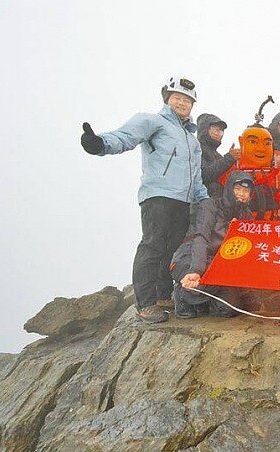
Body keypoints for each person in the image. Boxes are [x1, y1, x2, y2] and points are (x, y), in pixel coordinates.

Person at [80, 76, 209, 324]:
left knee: (171, 250)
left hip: (183, 202)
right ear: (167, 99)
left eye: (187, 100)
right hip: (158, 196)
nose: (182, 103)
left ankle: (163, 296)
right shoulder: (153, 121)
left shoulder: (192, 141)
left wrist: (205, 200)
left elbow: (197, 176)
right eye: (178, 98)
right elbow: (125, 136)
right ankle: (146, 304)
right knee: (152, 246)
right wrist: (99, 144)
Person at [171, 171, 254, 319]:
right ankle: (181, 294)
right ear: (228, 188)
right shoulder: (210, 205)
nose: (242, 193)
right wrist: (196, 269)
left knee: (229, 309)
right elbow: (201, 238)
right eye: (238, 189)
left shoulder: (246, 214)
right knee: (196, 288)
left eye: (246, 190)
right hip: (189, 257)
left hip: (218, 264)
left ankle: (204, 301)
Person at [196, 113, 236, 200]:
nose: (218, 133)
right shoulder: (196, 149)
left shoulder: (218, 155)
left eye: (221, 131)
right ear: (204, 129)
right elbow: (204, 176)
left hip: (218, 203)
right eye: (215, 129)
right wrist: (229, 158)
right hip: (202, 203)